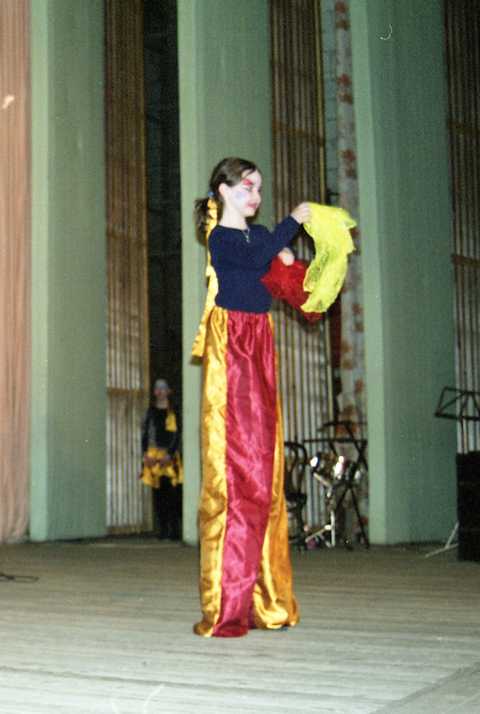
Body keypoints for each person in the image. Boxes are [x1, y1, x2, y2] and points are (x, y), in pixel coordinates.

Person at [190, 157, 308, 638]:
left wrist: (306, 268)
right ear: (223, 190)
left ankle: (269, 600)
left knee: (264, 469)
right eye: (246, 188)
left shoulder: (260, 238)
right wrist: (293, 223)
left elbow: (282, 272)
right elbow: (260, 253)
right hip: (233, 346)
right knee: (235, 469)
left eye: (259, 188)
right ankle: (229, 604)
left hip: (259, 340)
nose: (255, 196)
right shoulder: (221, 238)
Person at [141, 378, 182, 541]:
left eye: (163, 387)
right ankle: (163, 530)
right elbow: (145, 433)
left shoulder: (174, 411)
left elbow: (177, 434)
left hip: (169, 458)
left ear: (169, 391)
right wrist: (146, 454)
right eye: (156, 387)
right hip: (153, 456)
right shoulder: (150, 411)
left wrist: (169, 454)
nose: (159, 391)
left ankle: (175, 531)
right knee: (158, 496)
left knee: (171, 495)